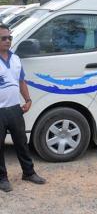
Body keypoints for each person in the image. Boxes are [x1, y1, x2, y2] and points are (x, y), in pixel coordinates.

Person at [0, 24, 46, 192]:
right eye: (3, 38)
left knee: (21, 143)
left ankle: (28, 172)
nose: (7, 41)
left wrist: (27, 99)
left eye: (9, 37)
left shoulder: (15, 59)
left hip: (15, 110)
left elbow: (21, 81)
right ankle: (2, 178)